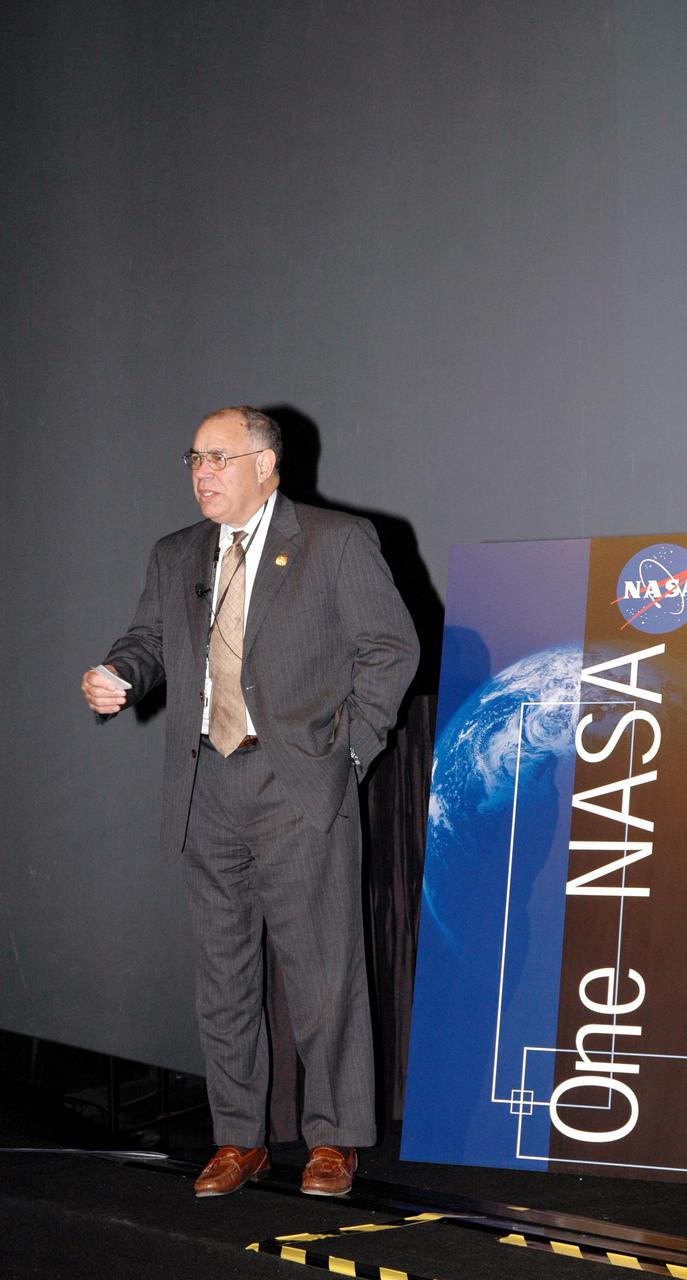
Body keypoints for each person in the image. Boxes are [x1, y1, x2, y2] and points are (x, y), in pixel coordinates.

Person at [81, 406, 419, 1198]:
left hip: (296, 782)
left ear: (267, 465)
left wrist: (348, 755)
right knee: (223, 977)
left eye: (220, 457)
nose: (203, 472)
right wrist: (120, 675)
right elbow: (149, 639)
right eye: (194, 457)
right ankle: (239, 1138)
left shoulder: (333, 542)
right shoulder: (176, 554)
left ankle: (334, 1140)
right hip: (205, 789)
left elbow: (390, 649)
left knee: (323, 973)